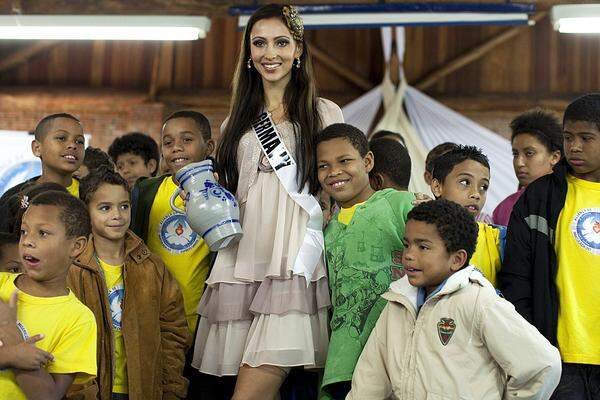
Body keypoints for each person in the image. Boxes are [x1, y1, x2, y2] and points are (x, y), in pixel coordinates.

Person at [191, 5, 344, 399]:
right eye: (259, 43)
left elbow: (339, 183)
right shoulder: (234, 122)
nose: (269, 53)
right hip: (244, 257)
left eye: (281, 42)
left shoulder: (323, 112)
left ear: (298, 50)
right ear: (248, 54)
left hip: (292, 256)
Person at [346, 199, 561, 400]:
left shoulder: (478, 301)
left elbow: (542, 364)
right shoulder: (397, 302)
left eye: (423, 247)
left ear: (457, 259)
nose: (409, 255)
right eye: (407, 244)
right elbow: (370, 378)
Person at [500, 93, 600, 399]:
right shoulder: (538, 197)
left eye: (586, 137)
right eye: (568, 137)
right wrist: (534, 343)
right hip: (557, 359)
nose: (574, 147)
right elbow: (516, 277)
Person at [68, 167, 189, 400]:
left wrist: (171, 388)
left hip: (143, 389)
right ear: (86, 212)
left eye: (124, 206)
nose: (118, 215)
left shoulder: (151, 266)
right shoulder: (72, 268)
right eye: (105, 208)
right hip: (93, 391)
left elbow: (173, 332)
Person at [316, 123, 415, 399]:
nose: (334, 171)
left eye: (344, 160)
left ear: (368, 161)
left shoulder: (399, 204)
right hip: (343, 358)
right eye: (323, 165)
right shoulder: (326, 230)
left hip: (395, 350)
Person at [0, 190, 97, 399]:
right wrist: (9, 355)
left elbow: (48, 397)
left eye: (42, 233)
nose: (27, 241)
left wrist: (11, 334)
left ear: (77, 246)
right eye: (24, 232)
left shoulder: (79, 320)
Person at [130, 111, 214, 336]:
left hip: (202, 317)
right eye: (168, 142)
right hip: (154, 314)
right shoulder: (145, 191)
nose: (176, 147)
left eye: (187, 140)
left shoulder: (223, 191)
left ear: (209, 147)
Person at [430, 145, 505, 286]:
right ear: (437, 187)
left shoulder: (498, 240)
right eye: (465, 182)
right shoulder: (418, 236)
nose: (476, 194)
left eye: (483, 187)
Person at [492, 109, 562, 226]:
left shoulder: (571, 201)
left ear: (554, 157)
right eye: (515, 154)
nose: (519, 163)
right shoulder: (504, 209)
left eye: (529, 153)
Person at [0, 113, 85, 202]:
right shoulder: (15, 199)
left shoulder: (92, 193)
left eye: (79, 141)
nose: (73, 145)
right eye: (61, 138)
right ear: (37, 148)